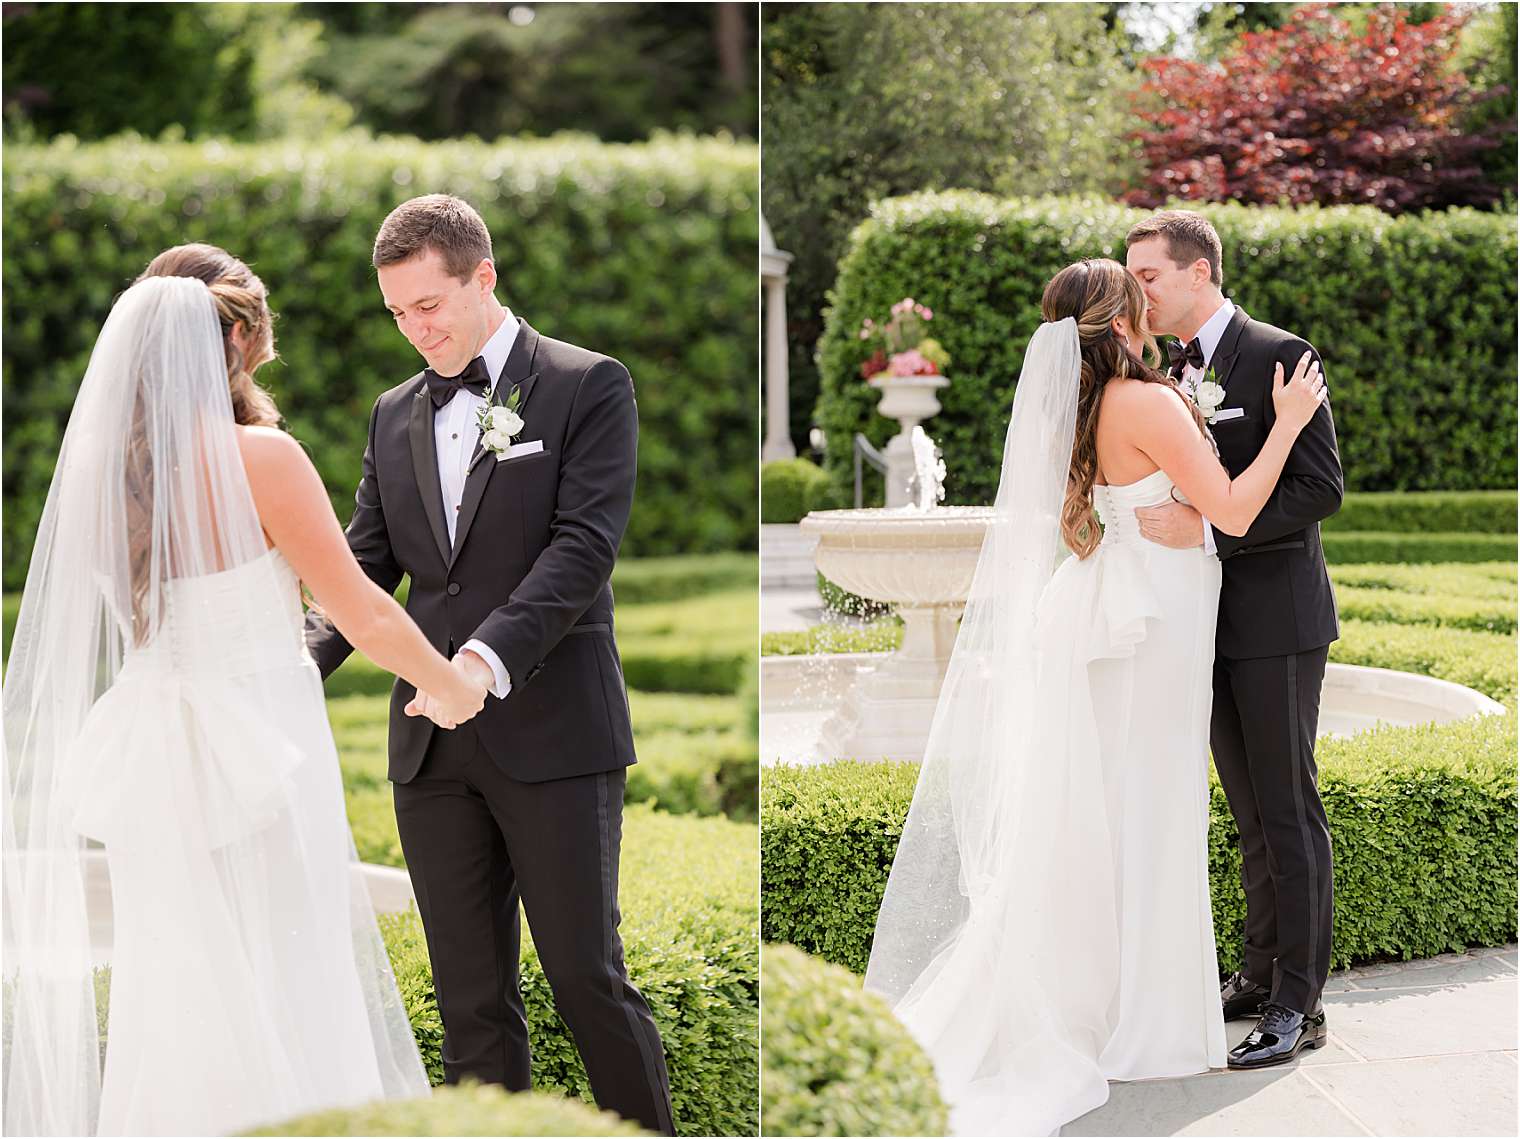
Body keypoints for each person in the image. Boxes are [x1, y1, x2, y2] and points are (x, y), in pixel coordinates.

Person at [3, 245, 487, 1136]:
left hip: (152, 745)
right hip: (255, 741)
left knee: (179, 987)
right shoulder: (260, 457)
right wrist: (449, 684)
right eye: (260, 322)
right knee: (286, 970)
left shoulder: (111, 472)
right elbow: (362, 609)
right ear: (235, 334)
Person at [863, 257, 1326, 1135]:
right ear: (1119, 323)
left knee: (1109, 807)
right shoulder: (1146, 400)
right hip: (1154, 624)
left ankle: (1107, 991)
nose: (1151, 304)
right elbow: (1229, 510)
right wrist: (1287, 424)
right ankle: (1140, 1015)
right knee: (1150, 808)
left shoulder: (1080, 406)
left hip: (1117, 614)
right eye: (1136, 293)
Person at [303, 195, 675, 1137]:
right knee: (471, 1003)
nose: (415, 329)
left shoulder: (589, 384)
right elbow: (363, 568)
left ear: (485, 277)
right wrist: (287, 671)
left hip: (554, 731)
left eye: (429, 304)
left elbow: (583, 549)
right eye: (396, 312)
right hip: (431, 750)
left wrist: (479, 660)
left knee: (588, 978)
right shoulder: (394, 413)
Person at [1126, 210, 1343, 1068]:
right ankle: (1258, 975)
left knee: (1289, 809)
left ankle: (1301, 1005)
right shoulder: (1170, 368)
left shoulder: (1282, 353)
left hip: (1278, 620)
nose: (1137, 287)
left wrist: (1212, 534)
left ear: (1199, 274)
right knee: (1249, 812)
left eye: (1147, 274)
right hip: (1204, 624)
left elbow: (1321, 488)